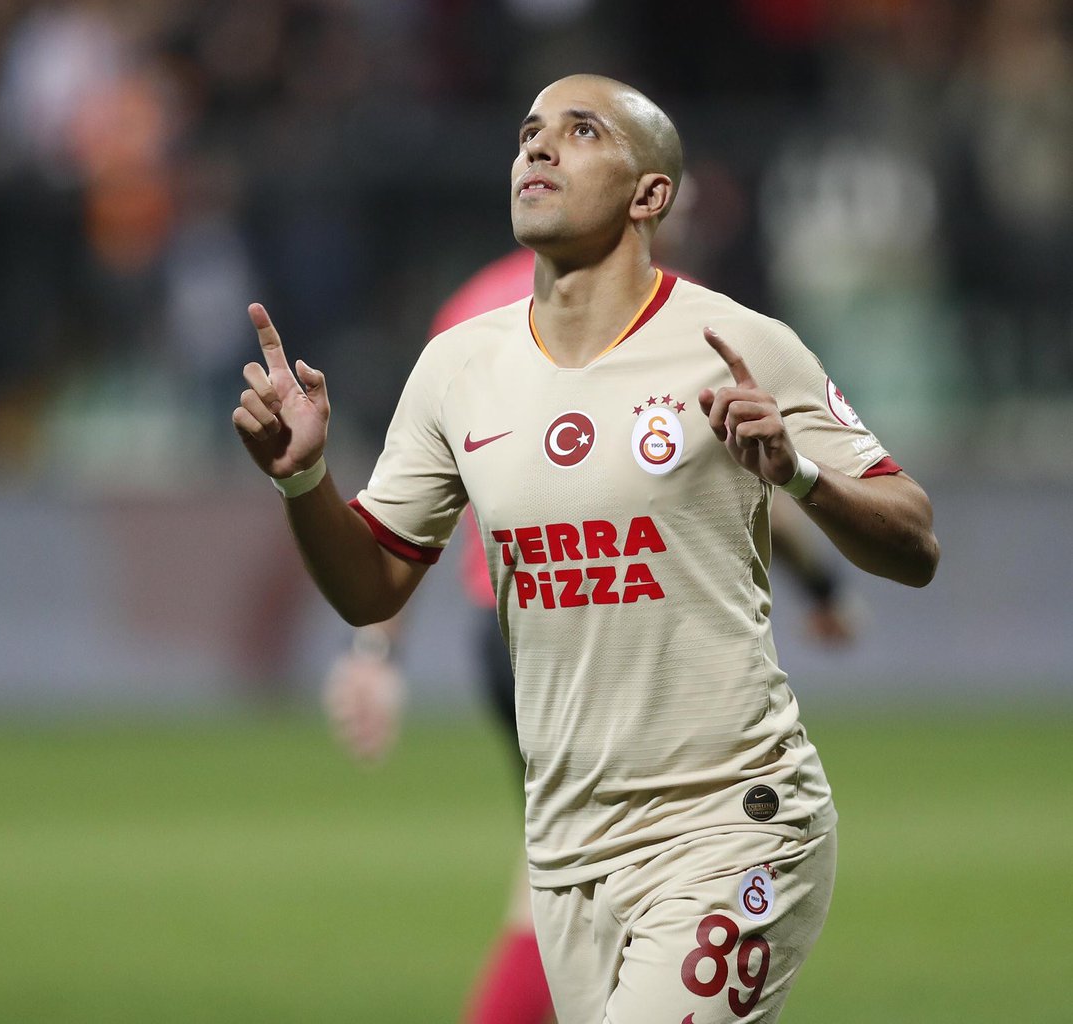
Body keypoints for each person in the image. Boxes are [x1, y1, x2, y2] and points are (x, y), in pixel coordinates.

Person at [232, 74, 939, 1022]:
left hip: (730, 824)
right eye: (530, 132)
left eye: (582, 131)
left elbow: (915, 538)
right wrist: (303, 480)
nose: (538, 146)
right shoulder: (458, 365)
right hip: (567, 851)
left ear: (651, 194)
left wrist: (802, 475)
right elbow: (372, 585)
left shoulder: (739, 342)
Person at [322, 243, 858, 1024]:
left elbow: (406, 505)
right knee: (644, 865)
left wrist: (376, 651)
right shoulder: (684, 321)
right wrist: (822, 586)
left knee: (563, 883)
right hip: (630, 634)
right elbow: (754, 483)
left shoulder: (467, 314)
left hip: (512, 642)